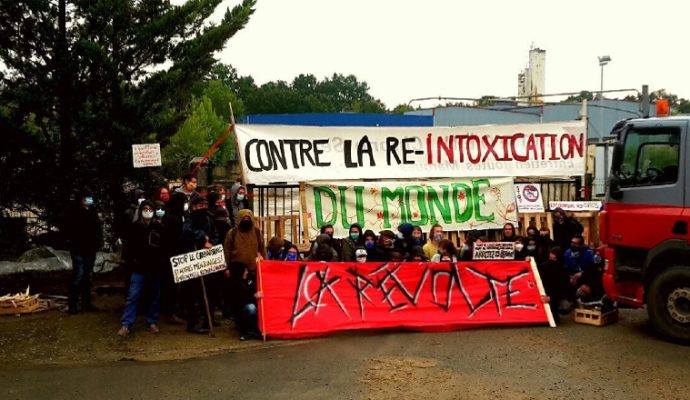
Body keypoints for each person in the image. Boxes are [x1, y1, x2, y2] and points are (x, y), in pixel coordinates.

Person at [118, 200, 165, 337]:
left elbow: (164, 245)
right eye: (145, 208)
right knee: (133, 296)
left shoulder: (158, 227)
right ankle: (126, 324)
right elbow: (128, 248)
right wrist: (131, 262)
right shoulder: (134, 227)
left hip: (155, 267)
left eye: (151, 209)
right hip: (139, 268)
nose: (148, 211)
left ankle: (151, 322)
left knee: (154, 296)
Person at [181, 196, 220, 334]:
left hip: (207, 259)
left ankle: (208, 319)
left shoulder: (209, 218)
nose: (202, 208)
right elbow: (186, 233)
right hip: (193, 260)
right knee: (193, 293)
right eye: (200, 206)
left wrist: (211, 244)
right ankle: (193, 322)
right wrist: (202, 237)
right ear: (194, 207)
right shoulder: (189, 219)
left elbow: (215, 235)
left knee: (210, 291)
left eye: (204, 205)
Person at [65, 191, 103, 314]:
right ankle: (73, 304)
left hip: (90, 249)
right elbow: (71, 230)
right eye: (87, 198)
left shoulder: (93, 212)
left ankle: (86, 303)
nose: (89, 200)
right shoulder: (74, 212)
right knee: (78, 275)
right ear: (81, 199)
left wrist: (98, 243)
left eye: (90, 198)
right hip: (78, 249)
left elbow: (98, 229)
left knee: (88, 276)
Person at [227, 262, 262, 340]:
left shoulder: (250, 279)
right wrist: (254, 296)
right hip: (241, 311)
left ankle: (257, 330)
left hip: (254, 304)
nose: (247, 272)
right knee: (251, 308)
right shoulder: (233, 284)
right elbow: (239, 301)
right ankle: (248, 331)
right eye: (245, 270)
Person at [537, 247, 572, 323]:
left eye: (554, 259)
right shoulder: (544, 266)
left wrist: (551, 298)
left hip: (556, 297)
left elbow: (565, 290)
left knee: (565, 306)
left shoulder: (564, 271)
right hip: (543, 294)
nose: (551, 261)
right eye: (550, 258)